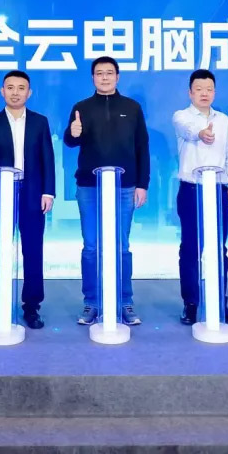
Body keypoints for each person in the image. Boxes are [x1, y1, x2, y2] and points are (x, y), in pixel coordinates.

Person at [64, 56, 150, 326]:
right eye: (99, 73)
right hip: (89, 187)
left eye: (109, 73)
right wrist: (73, 132)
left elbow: (142, 148)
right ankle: (91, 303)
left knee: (121, 246)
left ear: (117, 77)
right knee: (91, 247)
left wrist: (142, 184)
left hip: (125, 187)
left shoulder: (132, 108)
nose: (104, 77)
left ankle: (125, 302)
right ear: (92, 78)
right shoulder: (81, 107)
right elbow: (69, 142)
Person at [0, 70, 56, 329]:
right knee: (0, 250)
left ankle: (31, 307)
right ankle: (1, 303)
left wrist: (48, 191)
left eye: (21, 88)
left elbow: (48, 157)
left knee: (33, 250)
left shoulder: (40, 121)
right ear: (2, 91)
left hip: (32, 193)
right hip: (2, 193)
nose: (15, 92)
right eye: (10, 87)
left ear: (29, 93)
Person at [172, 69, 228, 326]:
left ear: (215, 92)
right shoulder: (181, 116)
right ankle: (191, 303)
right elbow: (189, 130)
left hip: (219, 189)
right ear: (190, 93)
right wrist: (201, 133)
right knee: (191, 248)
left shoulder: (224, 120)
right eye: (199, 89)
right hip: (191, 189)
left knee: (219, 248)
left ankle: (220, 300)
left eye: (209, 89)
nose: (204, 93)